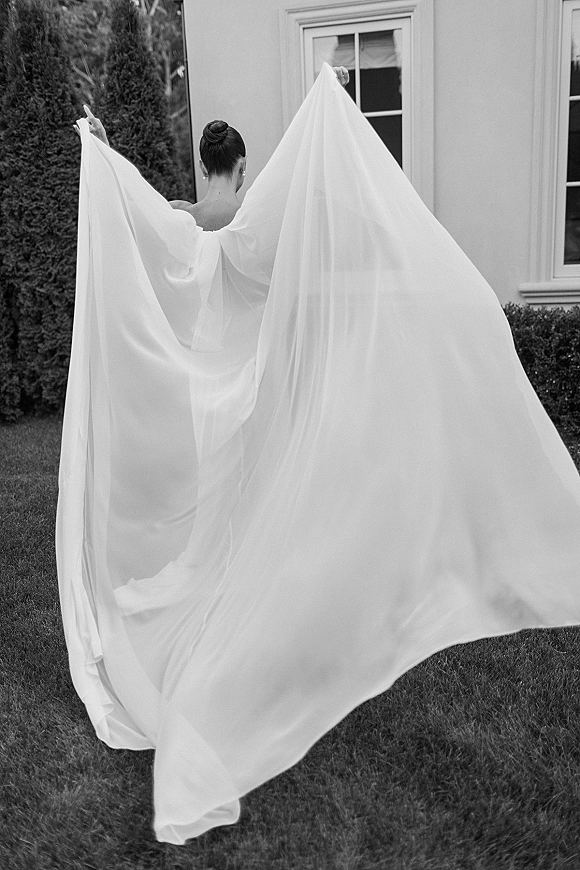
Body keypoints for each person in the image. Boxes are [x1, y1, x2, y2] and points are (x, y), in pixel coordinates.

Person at [61, 63, 580, 845]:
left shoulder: (194, 214)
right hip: (269, 393)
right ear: (244, 159)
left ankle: (253, 614)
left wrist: (102, 153)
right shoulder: (265, 213)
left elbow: (144, 216)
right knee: (267, 514)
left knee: (235, 519)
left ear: (206, 163)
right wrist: (326, 102)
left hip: (221, 396)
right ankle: (285, 612)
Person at [75, 67, 350, 232]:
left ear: (202, 166)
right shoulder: (260, 219)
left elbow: (127, 211)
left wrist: (103, 149)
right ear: (242, 165)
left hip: (194, 332)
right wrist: (328, 95)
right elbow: (307, 167)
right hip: (255, 331)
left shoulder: (180, 217)